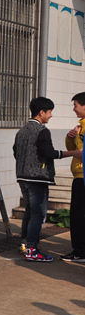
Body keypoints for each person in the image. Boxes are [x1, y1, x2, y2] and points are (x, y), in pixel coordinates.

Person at [13, 96, 81, 262]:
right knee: (38, 214)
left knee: (29, 212)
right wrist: (73, 153)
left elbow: (16, 152)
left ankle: (25, 245)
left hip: (22, 177)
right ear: (41, 112)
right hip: (38, 179)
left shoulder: (21, 130)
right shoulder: (42, 131)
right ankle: (32, 249)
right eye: (50, 112)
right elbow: (49, 153)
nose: (51, 115)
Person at [61, 92, 85, 262]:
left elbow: (79, 153)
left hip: (82, 176)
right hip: (79, 174)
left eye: (76, 105)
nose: (74, 109)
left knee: (77, 215)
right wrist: (70, 137)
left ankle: (80, 251)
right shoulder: (80, 126)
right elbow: (75, 149)